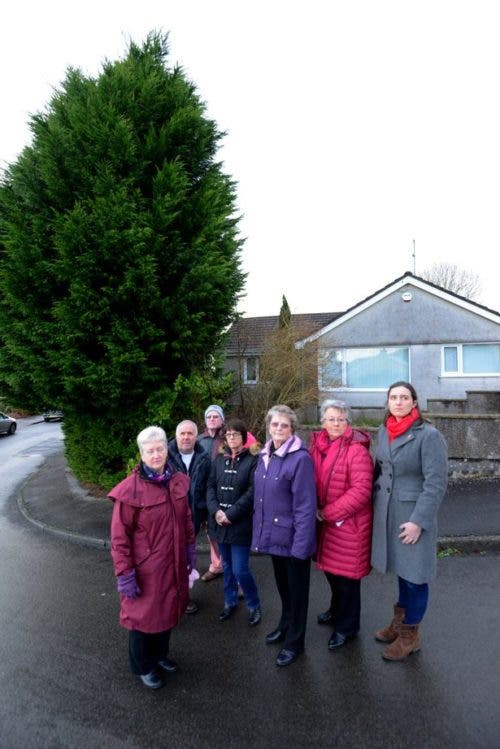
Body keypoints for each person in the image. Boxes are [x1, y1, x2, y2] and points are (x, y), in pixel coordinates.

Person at [108, 426, 196, 689]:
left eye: (159, 449)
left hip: (174, 562)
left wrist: (190, 550)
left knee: (167, 613)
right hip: (146, 570)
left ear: (166, 450)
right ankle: (143, 665)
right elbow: (119, 538)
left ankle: (160, 656)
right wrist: (125, 574)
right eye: (150, 451)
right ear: (141, 454)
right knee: (143, 619)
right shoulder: (129, 492)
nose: (156, 455)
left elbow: (187, 519)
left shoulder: (177, 481)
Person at [371, 381, 448, 661]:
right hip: (389, 513)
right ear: (388, 402)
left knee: (415, 576)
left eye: (405, 397)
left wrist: (419, 522)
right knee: (403, 572)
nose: (399, 402)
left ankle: (410, 636)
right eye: (394, 397)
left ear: (414, 402)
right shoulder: (383, 431)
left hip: (413, 516)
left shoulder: (428, 436)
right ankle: (399, 623)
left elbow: (436, 483)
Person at [252, 405, 317, 667]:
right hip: (274, 536)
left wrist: (302, 545)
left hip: (294, 540)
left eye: (284, 425)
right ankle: (285, 624)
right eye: (275, 424)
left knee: (298, 593)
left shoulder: (300, 458)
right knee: (284, 589)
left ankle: (295, 642)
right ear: (269, 426)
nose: (278, 429)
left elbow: (305, 506)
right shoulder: (265, 454)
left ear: (292, 429)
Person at [309, 399, 374, 650]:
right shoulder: (317, 445)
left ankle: (347, 628)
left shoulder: (356, 449)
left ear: (347, 422)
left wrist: (327, 512)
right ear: (322, 421)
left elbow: (361, 491)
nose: (336, 423)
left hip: (347, 525)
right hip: (325, 523)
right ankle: (336, 611)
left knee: (347, 580)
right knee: (332, 573)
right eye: (331, 419)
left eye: (341, 419)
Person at [206, 418, 261, 625]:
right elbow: (210, 486)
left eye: (235, 434)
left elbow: (252, 492)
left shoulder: (253, 460)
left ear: (244, 437)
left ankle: (254, 605)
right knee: (226, 566)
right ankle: (229, 602)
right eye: (228, 434)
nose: (231, 438)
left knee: (240, 569)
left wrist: (231, 514)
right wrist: (216, 512)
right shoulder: (219, 460)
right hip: (219, 524)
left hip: (240, 524)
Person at [168, 420, 211, 614]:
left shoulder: (204, 457)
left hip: (192, 518)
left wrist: (204, 511)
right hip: (167, 518)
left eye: (190, 434)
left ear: (196, 436)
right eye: (182, 434)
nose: (186, 437)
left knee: (187, 558)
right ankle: (167, 599)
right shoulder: (164, 456)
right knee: (167, 559)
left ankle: (184, 597)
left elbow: (210, 487)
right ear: (176, 436)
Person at [197, 405, 226, 581]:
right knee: (210, 532)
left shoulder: (230, 436)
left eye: (216, 416)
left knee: (226, 532)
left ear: (222, 419)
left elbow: (254, 450)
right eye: (209, 417)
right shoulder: (199, 440)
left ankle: (235, 574)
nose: (212, 419)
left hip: (226, 492)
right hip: (204, 493)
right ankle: (216, 566)